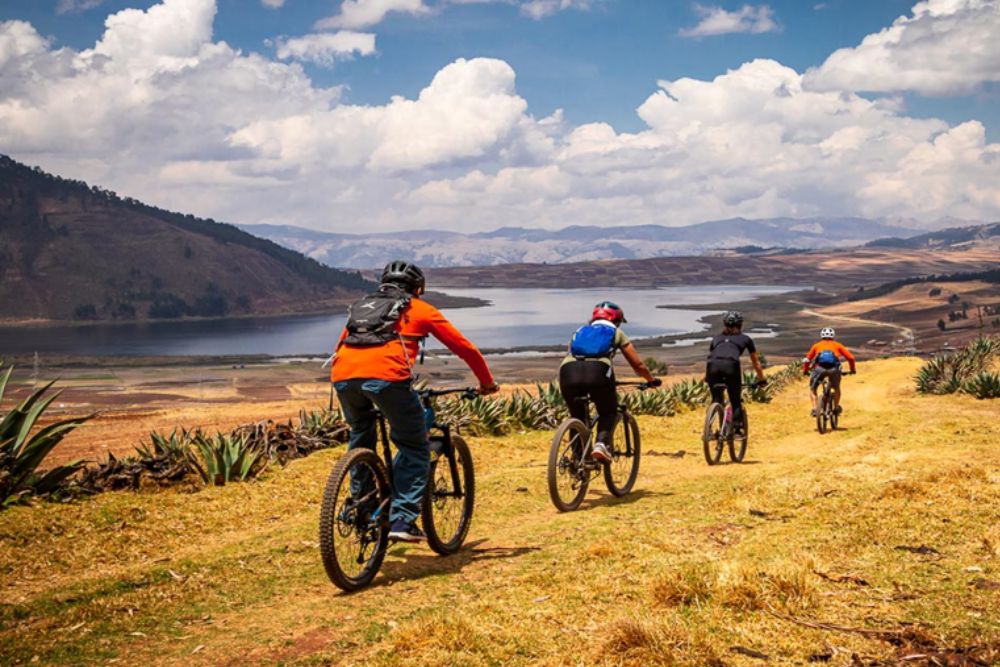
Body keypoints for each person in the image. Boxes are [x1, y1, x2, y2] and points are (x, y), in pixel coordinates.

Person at [331, 260, 499, 543]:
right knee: (415, 446)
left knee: (361, 437)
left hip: (344, 377)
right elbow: (464, 348)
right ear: (418, 289)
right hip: (388, 379)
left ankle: (361, 506)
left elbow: (340, 346)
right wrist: (486, 382)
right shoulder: (419, 309)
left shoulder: (363, 307)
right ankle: (402, 519)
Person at [559, 301, 661, 462]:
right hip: (598, 373)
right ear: (617, 320)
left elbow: (569, 354)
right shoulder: (615, 332)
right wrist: (652, 380)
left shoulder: (579, 331)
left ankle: (578, 461)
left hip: (568, 373)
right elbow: (638, 365)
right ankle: (601, 444)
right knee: (608, 411)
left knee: (577, 417)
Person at [704, 311, 767, 433]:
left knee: (716, 399)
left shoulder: (716, 338)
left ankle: (709, 429)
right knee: (735, 400)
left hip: (712, 367)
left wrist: (707, 377)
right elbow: (756, 362)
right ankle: (737, 430)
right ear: (740, 325)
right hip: (731, 366)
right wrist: (761, 379)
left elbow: (712, 357)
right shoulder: (746, 339)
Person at [803, 327, 856, 417]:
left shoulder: (816, 346)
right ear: (833, 336)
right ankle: (835, 408)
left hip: (818, 369)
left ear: (821, 336)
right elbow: (851, 358)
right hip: (833, 369)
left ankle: (815, 409)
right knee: (836, 388)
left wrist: (805, 371)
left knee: (813, 389)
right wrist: (852, 370)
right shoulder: (837, 345)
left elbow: (807, 360)